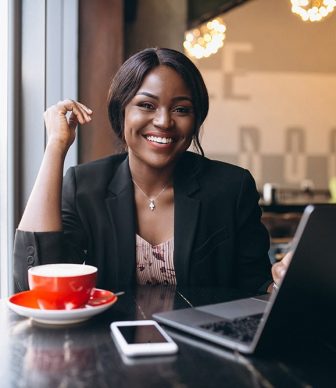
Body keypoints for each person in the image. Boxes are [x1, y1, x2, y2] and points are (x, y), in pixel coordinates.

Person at [13, 47, 288, 294]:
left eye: (181, 109)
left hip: (203, 347)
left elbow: (255, 284)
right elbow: (33, 280)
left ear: (195, 121)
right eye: (146, 105)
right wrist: (56, 146)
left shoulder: (231, 187)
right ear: (122, 112)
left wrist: (280, 281)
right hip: (108, 344)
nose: (164, 121)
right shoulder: (85, 186)